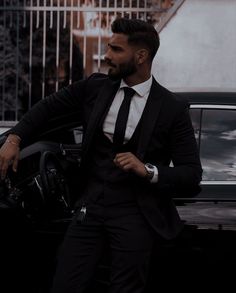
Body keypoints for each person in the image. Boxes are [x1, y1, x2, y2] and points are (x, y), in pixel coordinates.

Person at [0, 17, 202, 293]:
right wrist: (14, 138)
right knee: (65, 285)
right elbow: (47, 109)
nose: (106, 55)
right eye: (109, 47)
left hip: (136, 214)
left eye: (116, 49)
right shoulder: (95, 87)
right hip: (90, 207)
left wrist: (148, 170)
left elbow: (191, 173)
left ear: (141, 56)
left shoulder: (171, 108)